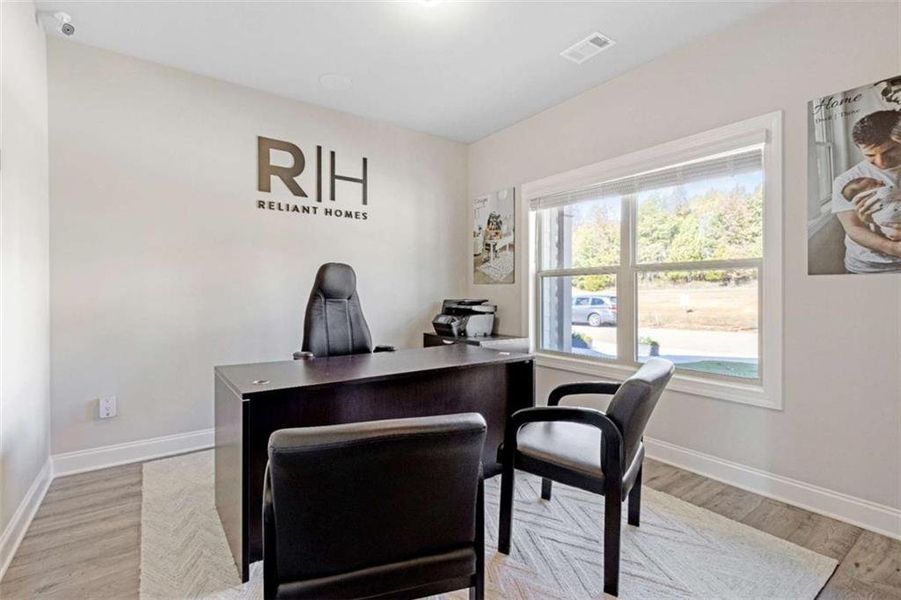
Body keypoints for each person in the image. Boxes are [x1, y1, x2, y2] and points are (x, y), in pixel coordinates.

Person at [832, 110, 901, 273]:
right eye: (870, 155)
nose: (880, 161)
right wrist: (894, 248)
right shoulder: (848, 181)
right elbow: (853, 228)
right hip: (867, 268)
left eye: (888, 151)